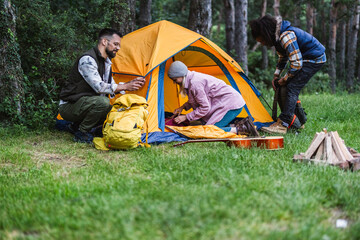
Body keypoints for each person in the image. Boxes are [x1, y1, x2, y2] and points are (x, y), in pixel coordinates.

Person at [59, 28, 145, 143]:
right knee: (103, 103)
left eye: (119, 45)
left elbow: (112, 85)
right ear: (104, 42)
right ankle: (82, 132)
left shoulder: (106, 63)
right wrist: (125, 87)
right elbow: (99, 87)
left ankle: (75, 126)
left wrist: (130, 84)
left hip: (83, 103)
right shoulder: (88, 60)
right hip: (69, 106)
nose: (118, 48)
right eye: (115, 44)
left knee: (111, 110)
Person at [249, 15, 326, 134]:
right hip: (304, 59)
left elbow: (296, 63)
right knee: (287, 88)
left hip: (314, 59)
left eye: (262, 41)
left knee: (292, 87)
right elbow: (283, 57)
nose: (263, 44)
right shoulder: (277, 37)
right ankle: (299, 121)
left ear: (266, 34)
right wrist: (276, 75)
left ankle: (282, 124)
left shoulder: (286, 36)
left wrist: (285, 78)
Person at [167, 61, 259, 136]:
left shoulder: (195, 83)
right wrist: (182, 107)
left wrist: (186, 117)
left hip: (231, 104)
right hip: (226, 103)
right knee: (207, 126)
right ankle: (242, 125)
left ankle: (244, 129)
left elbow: (204, 108)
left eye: (175, 80)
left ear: (181, 75)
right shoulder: (190, 80)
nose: (175, 83)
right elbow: (196, 99)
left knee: (209, 130)